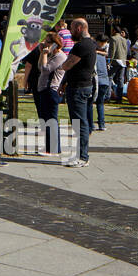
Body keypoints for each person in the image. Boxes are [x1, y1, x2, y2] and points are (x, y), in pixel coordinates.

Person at [57, 18, 96, 166]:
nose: (70, 32)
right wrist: (64, 82)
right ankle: (82, 155)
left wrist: (60, 65)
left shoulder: (81, 46)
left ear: (79, 28)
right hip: (83, 85)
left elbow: (67, 65)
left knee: (80, 123)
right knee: (82, 122)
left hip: (79, 87)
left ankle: (82, 157)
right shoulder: (91, 43)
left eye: (72, 29)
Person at [34, 32, 65, 156]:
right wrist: (42, 53)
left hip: (51, 90)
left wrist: (45, 54)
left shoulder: (60, 56)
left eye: (47, 42)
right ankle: (49, 147)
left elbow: (46, 69)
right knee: (46, 120)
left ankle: (53, 149)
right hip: (43, 89)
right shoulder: (50, 54)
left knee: (51, 119)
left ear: (54, 44)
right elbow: (39, 66)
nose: (45, 44)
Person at [93, 35, 111, 131]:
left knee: (90, 102)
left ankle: (91, 124)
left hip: (97, 81)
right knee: (100, 103)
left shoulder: (94, 55)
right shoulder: (102, 55)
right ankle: (101, 124)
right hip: (105, 81)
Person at [108, 25, 129, 101]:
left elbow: (112, 51)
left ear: (114, 31)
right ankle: (119, 97)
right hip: (123, 61)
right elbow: (126, 50)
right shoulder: (124, 39)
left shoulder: (113, 38)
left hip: (115, 61)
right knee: (121, 79)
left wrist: (109, 62)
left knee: (109, 77)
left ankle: (108, 95)